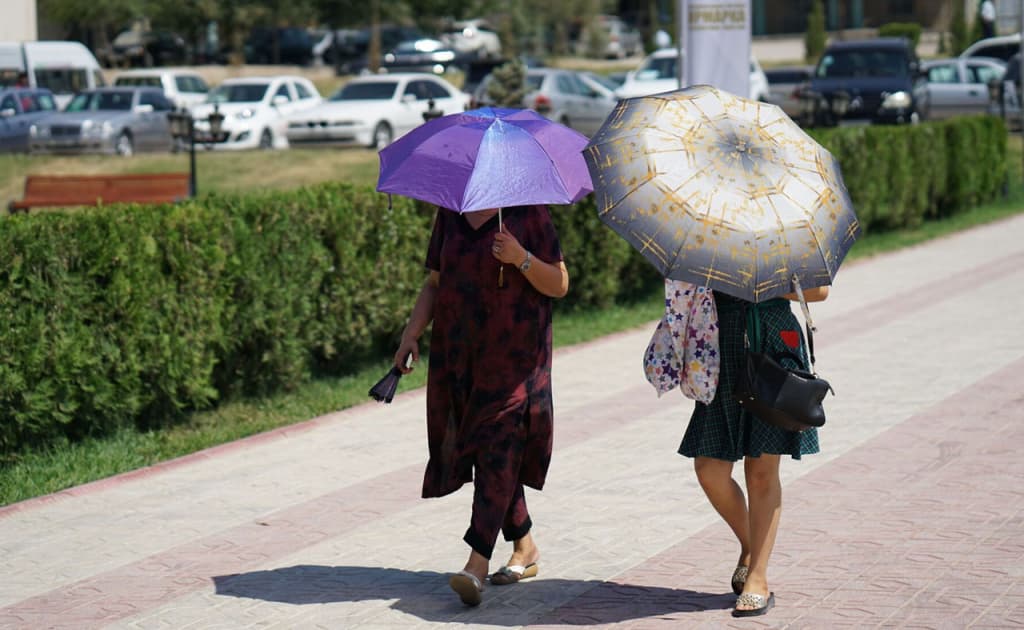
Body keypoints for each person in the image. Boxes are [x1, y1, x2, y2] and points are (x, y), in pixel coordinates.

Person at [393, 204, 568, 607]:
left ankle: (477, 562)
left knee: (498, 445)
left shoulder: (529, 213)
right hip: (461, 356)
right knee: (487, 451)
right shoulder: (450, 214)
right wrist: (410, 335)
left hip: (517, 358)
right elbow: (435, 283)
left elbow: (559, 283)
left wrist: (520, 257)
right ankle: (524, 545)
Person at [679, 285, 829, 618]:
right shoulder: (714, 230)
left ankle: (758, 578)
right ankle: (751, 544)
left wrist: (762, 281)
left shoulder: (792, 231)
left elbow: (820, 291)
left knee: (761, 472)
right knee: (709, 469)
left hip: (775, 340)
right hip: (720, 343)